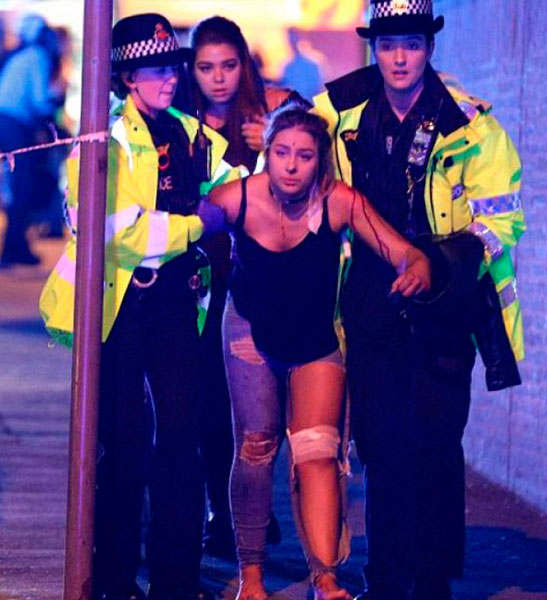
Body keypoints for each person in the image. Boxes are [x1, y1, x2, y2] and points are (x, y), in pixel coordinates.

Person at [313, 2, 525, 598]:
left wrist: (439, 264)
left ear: (430, 47)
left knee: (435, 444)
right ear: (373, 48)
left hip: (444, 303)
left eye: (411, 43)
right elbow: (296, 166)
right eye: (387, 45)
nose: (399, 58)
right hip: (368, 297)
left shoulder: (470, 122)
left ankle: (431, 584)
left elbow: (502, 222)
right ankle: (385, 579)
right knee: (380, 446)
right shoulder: (337, 109)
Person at [39, 13, 235, 600]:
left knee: (180, 442)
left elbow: (233, 186)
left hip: (177, 303)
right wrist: (197, 225)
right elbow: (118, 231)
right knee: (121, 447)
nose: (169, 78)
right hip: (119, 307)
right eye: (153, 69)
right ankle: (115, 580)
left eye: (171, 66)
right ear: (127, 77)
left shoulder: (193, 134)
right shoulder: (102, 139)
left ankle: (176, 581)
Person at [209, 103, 431, 600]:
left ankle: (325, 576)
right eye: (281, 153)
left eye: (304, 156)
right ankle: (251, 576)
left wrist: (418, 268)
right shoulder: (235, 198)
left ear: (321, 161)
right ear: (267, 152)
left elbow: (404, 252)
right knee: (257, 445)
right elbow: (186, 230)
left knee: (318, 451)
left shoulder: (339, 201)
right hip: (250, 329)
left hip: (313, 338)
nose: (291, 165)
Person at [187, 14, 293, 560]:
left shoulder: (272, 111)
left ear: (244, 66)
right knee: (210, 400)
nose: (219, 78)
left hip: (266, 276)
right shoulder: (180, 121)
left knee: (264, 406)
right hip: (203, 277)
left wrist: (272, 136)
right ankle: (222, 512)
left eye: (228, 65)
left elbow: (310, 171)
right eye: (206, 67)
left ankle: (257, 509)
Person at [0, 14, 62, 266]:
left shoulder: (19, 55)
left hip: (6, 121)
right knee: (24, 186)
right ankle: (13, 249)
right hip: (15, 124)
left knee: (19, 186)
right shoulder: (38, 56)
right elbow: (40, 101)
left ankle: (17, 246)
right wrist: (56, 101)